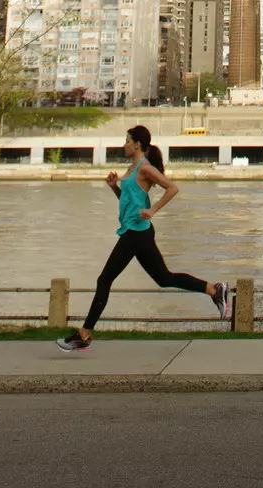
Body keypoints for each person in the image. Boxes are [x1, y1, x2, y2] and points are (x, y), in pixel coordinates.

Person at [57, 124, 229, 351]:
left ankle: (84, 334)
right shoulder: (132, 168)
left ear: (137, 144)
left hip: (136, 233)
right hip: (137, 231)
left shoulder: (145, 168)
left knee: (104, 279)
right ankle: (213, 289)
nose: (124, 145)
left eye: (127, 141)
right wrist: (114, 188)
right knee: (164, 278)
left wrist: (153, 210)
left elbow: (172, 188)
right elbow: (130, 202)